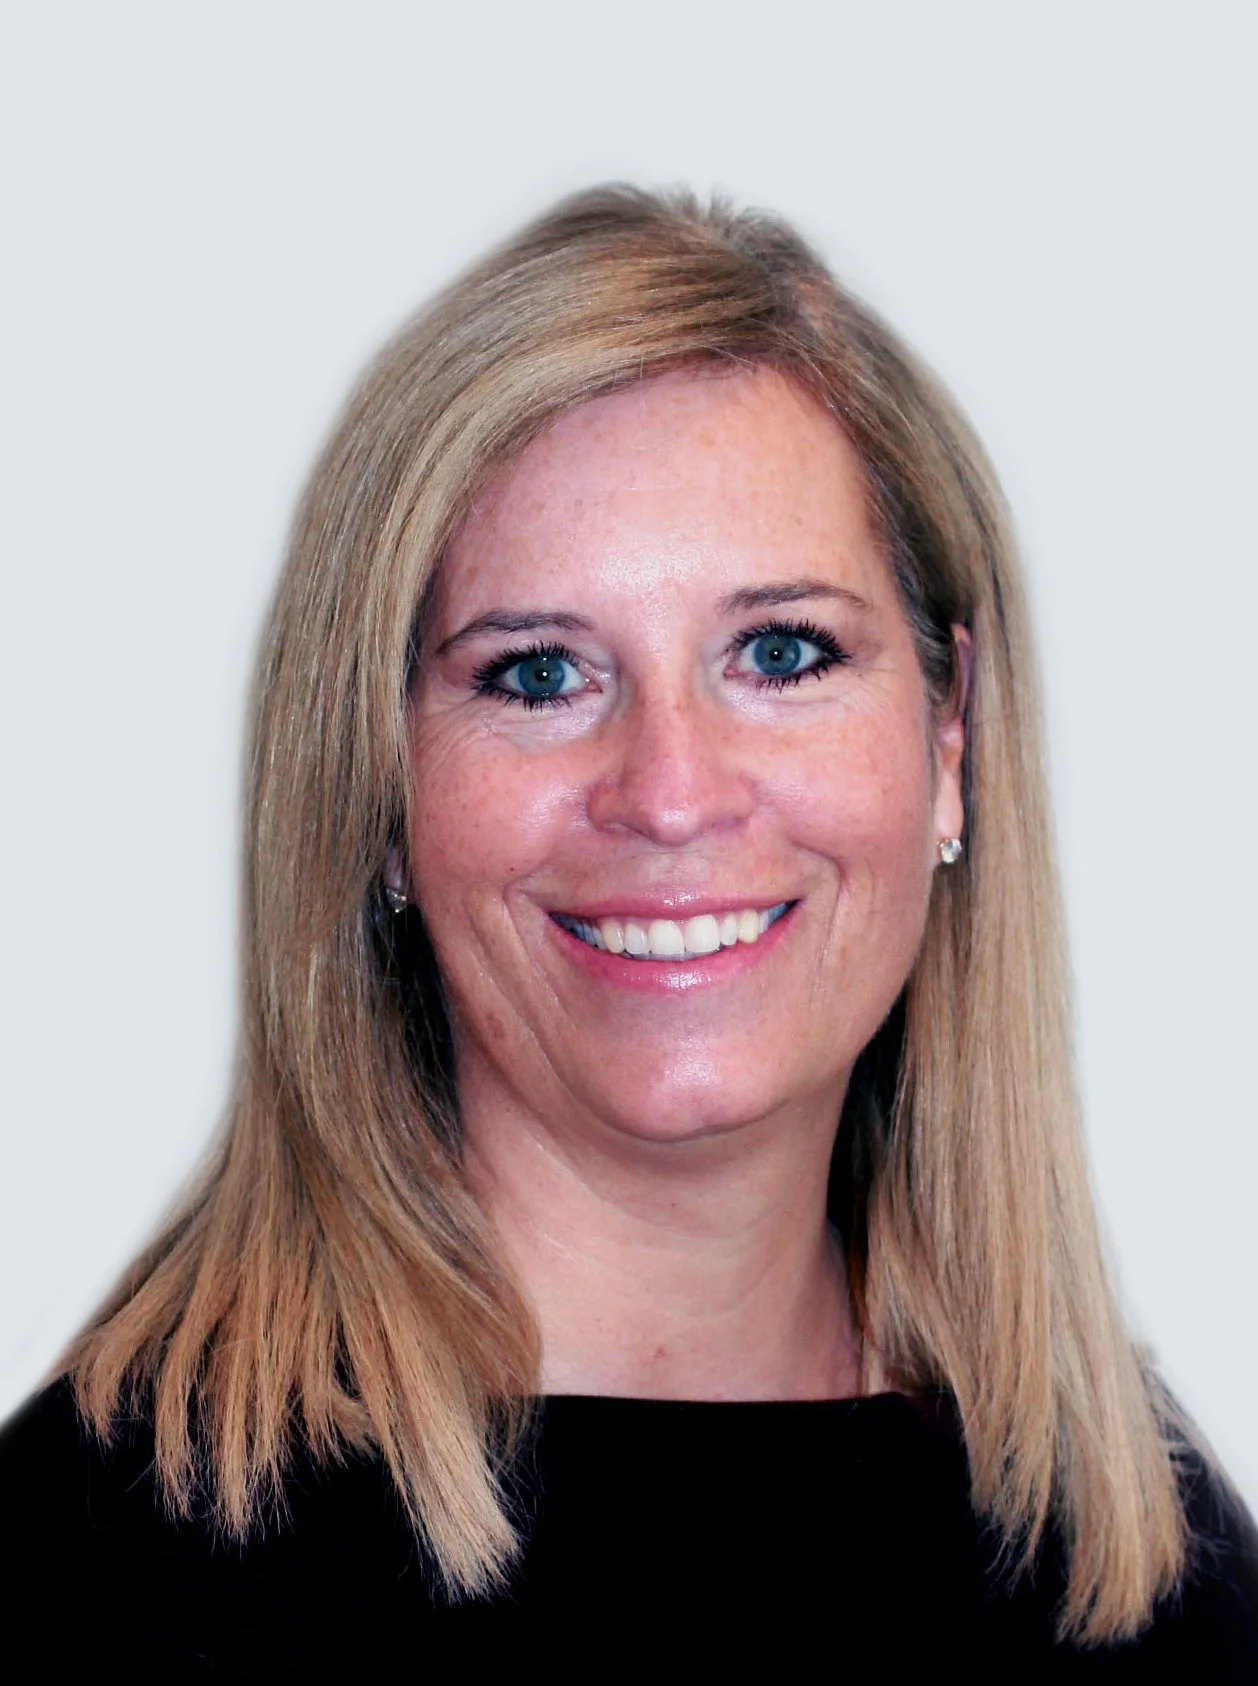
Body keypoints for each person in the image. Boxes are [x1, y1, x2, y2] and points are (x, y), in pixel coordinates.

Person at [1, 184, 1254, 1676]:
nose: (668, 792)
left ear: (948, 737)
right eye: (537, 676)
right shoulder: (96, 1568)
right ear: (380, 786)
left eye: (781, 653)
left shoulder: (1129, 1552)